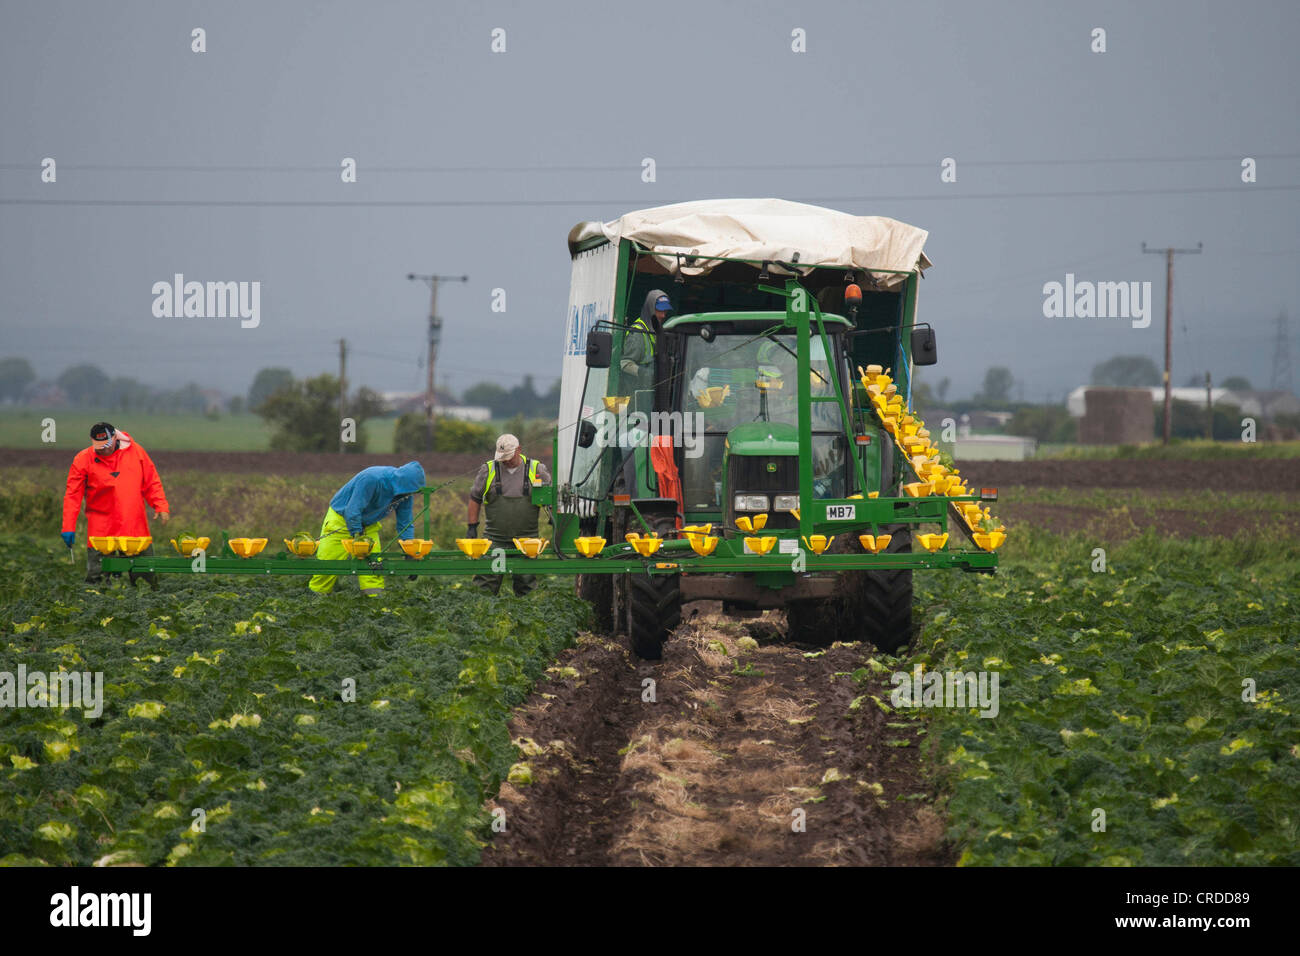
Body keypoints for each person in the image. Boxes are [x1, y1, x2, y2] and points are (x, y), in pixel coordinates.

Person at [62, 422, 169, 587]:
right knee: (97, 580)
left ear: (115, 437)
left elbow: (151, 482)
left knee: (145, 579)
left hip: (134, 525)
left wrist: (160, 506)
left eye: (106, 445)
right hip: (101, 529)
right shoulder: (83, 460)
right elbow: (73, 495)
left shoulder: (136, 452)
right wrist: (68, 526)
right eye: (99, 446)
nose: (103, 449)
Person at [309, 461, 425, 597]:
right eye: (410, 490)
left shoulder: (405, 494)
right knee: (327, 566)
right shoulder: (372, 478)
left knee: (373, 568)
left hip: (368, 525)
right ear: (403, 483)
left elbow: (405, 523)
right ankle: (315, 602)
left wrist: (410, 551)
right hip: (340, 521)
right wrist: (358, 537)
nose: (411, 494)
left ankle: (375, 606)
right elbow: (352, 510)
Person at [466, 434, 551, 596]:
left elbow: (550, 498)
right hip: (494, 540)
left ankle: (526, 619)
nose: (505, 461)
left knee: (527, 587)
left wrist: (555, 522)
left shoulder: (537, 469)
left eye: (508, 457)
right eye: (502, 457)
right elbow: (474, 499)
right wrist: (471, 527)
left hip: (528, 542)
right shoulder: (488, 469)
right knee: (484, 586)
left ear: (519, 450)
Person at [620, 290, 671, 393]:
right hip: (636, 393)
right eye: (660, 310)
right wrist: (644, 373)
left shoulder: (657, 330)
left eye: (665, 311)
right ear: (650, 309)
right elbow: (624, 363)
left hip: (651, 392)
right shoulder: (638, 333)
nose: (663, 315)